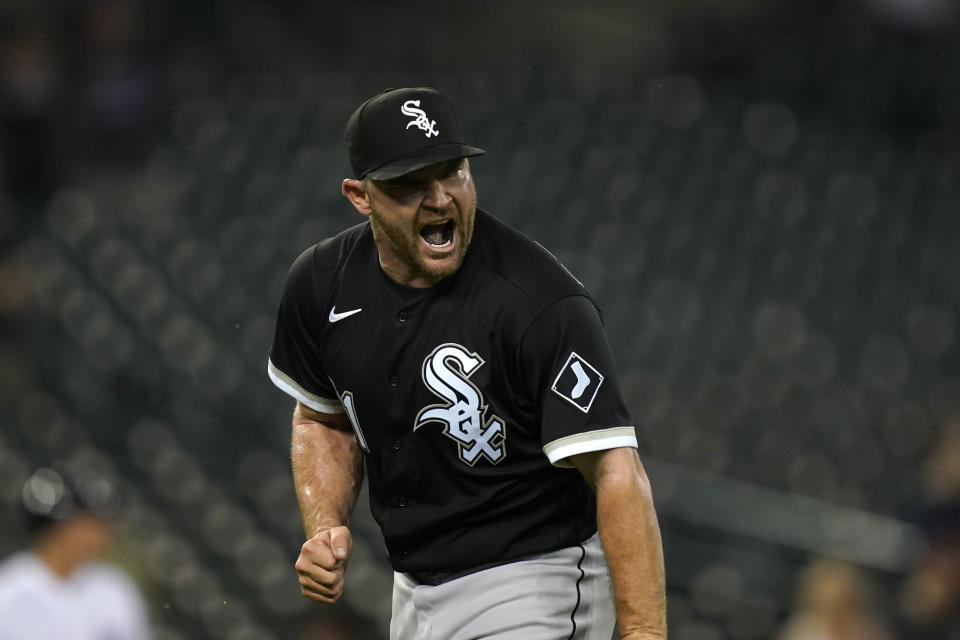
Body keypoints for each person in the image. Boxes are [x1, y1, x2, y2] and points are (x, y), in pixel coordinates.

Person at [267, 86, 666, 640]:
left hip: (536, 580)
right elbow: (321, 417)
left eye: (452, 172)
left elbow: (617, 470)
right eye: (411, 182)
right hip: (412, 591)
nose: (439, 198)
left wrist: (644, 632)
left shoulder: (538, 301)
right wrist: (324, 526)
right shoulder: (319, 283)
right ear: (360, 196)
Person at [0, 467, 150, 640]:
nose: (100, 535)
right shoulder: (8, 590)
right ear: (56, 527)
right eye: (88, 524)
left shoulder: (115, 589)